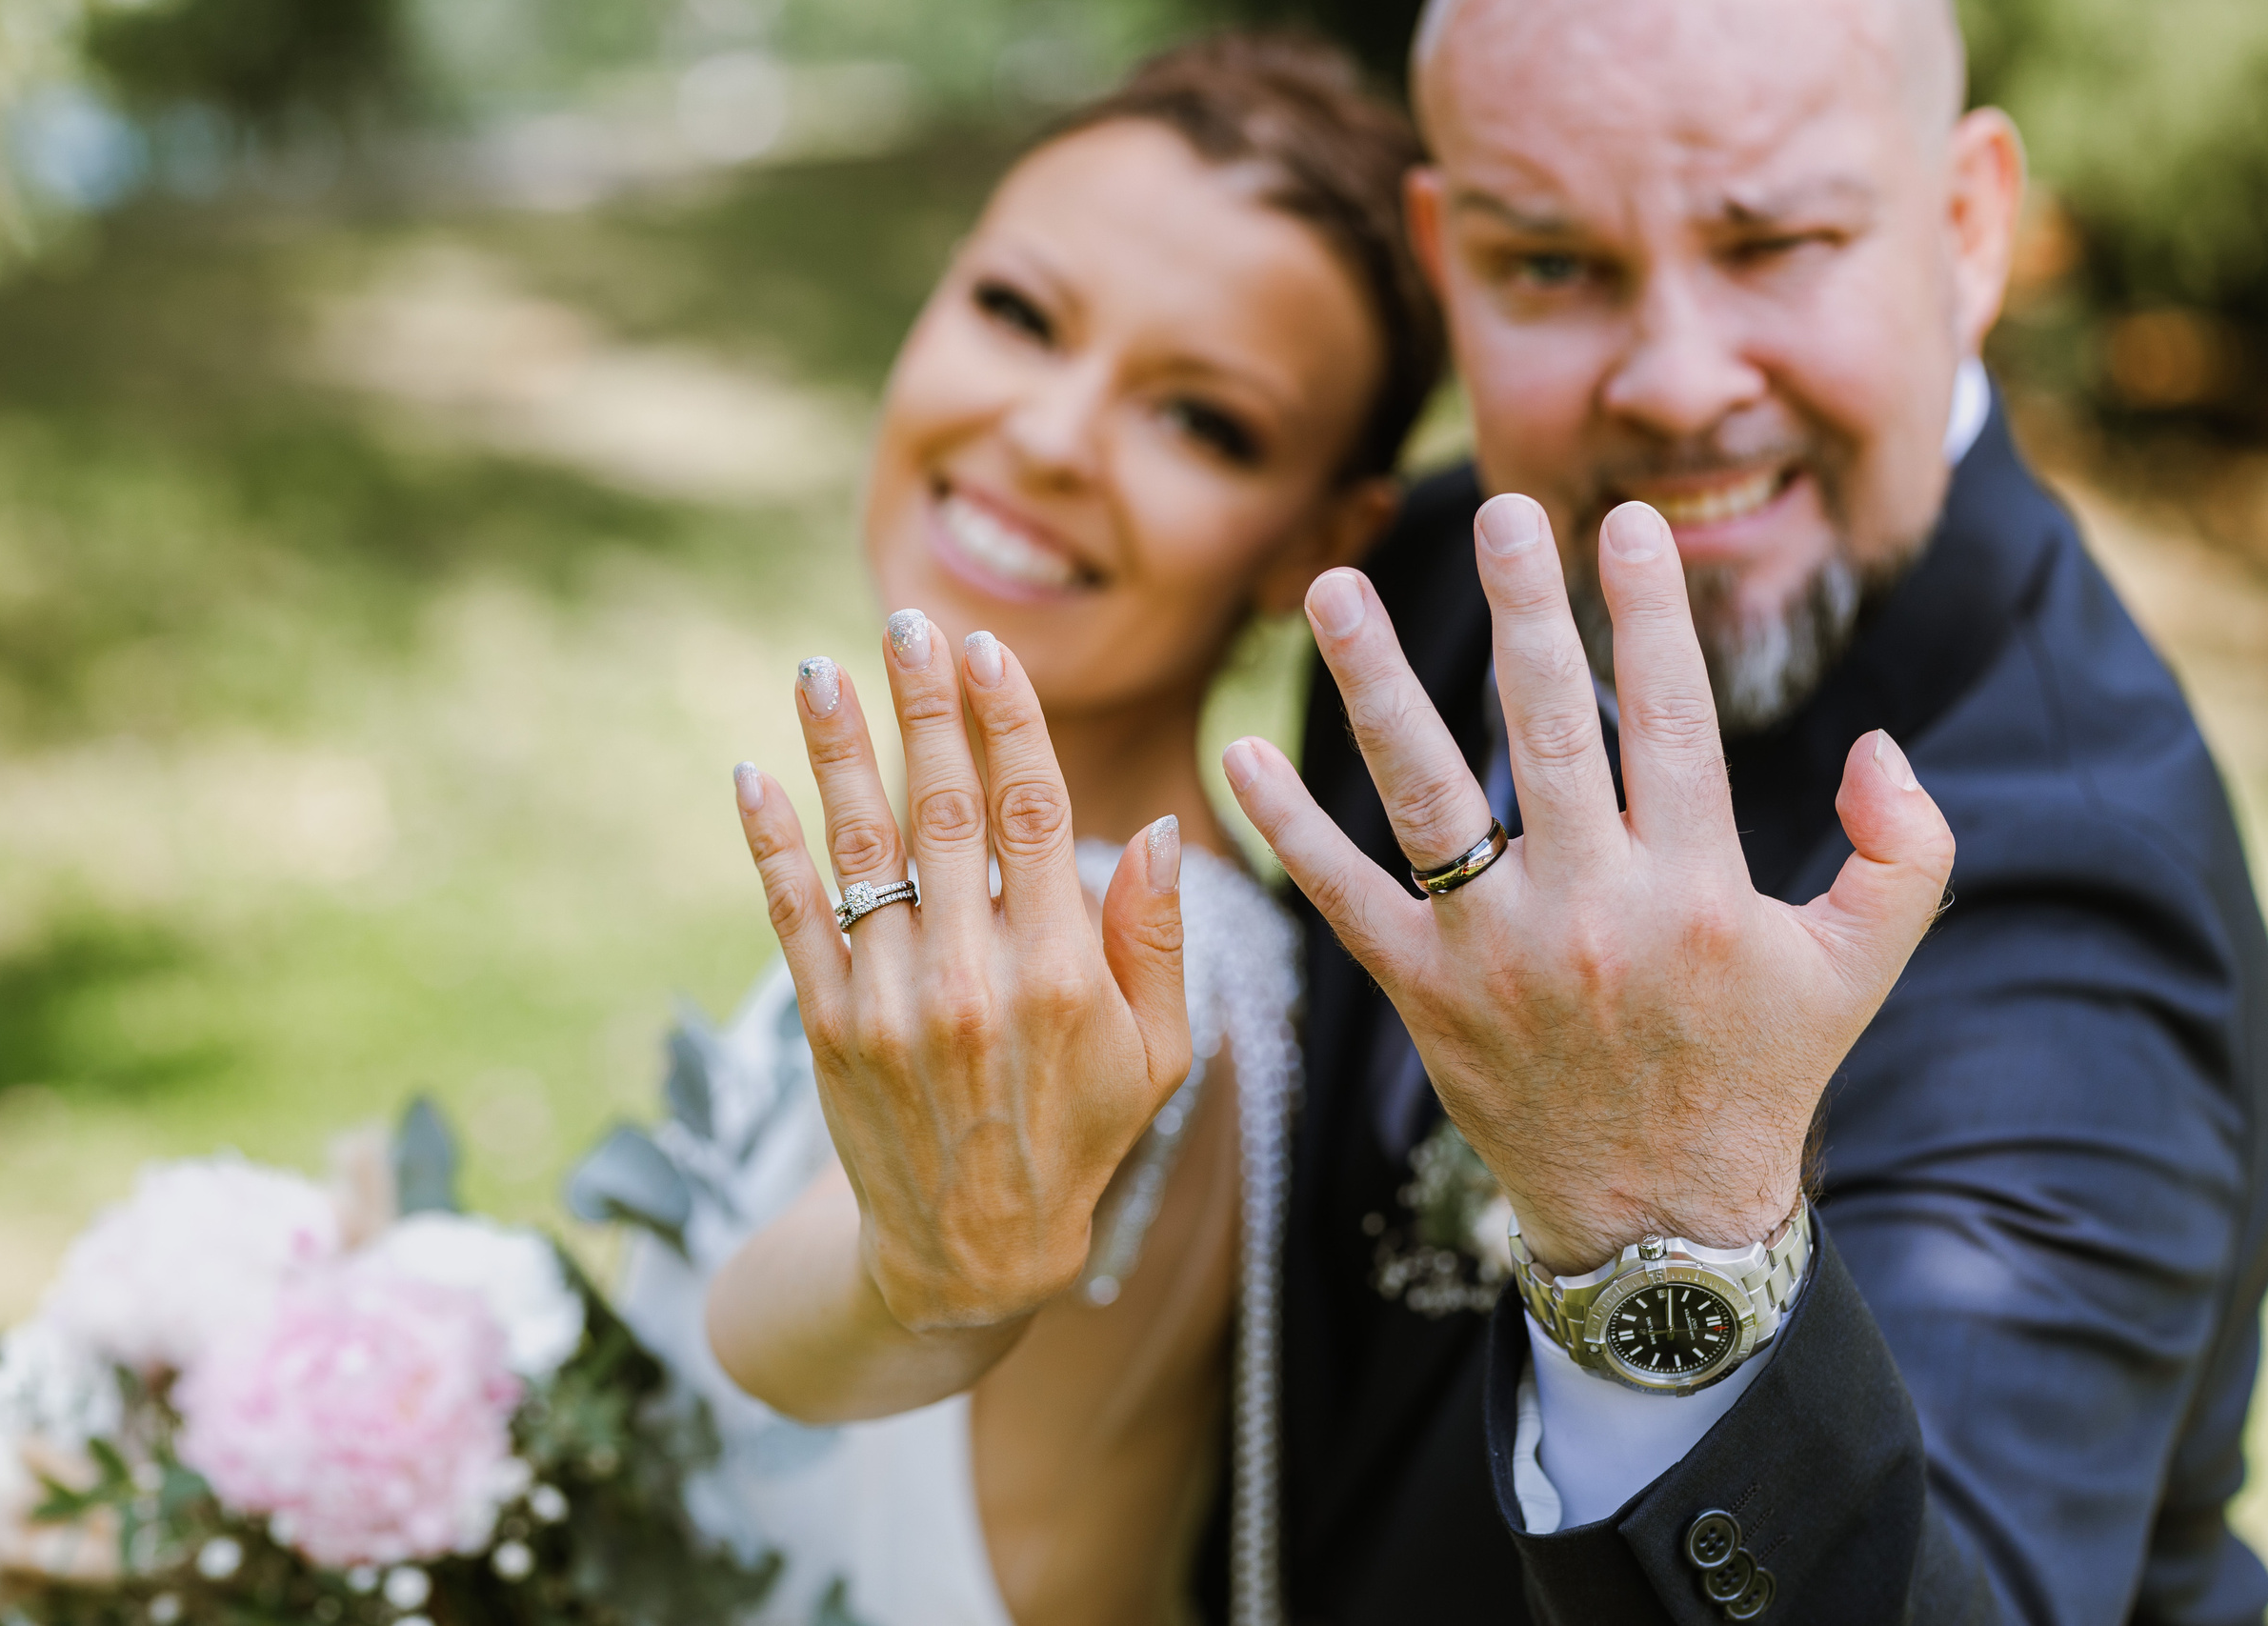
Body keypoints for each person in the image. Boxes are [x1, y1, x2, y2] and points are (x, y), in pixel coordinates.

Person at [1205, 0, 2268, 1620]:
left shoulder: (2072, 902)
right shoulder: (1433, 575)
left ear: (1969, 228)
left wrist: (1660, 1228)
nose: (1678, 383)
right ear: (1445, 253)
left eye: (1776, 243)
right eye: (1548, 263)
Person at [597, 35, 1446, 1626]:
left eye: (1202, 422)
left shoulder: (1119, 973)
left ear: (1317, 545)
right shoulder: (1110, 914)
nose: (1052, 435)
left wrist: (909, 1279)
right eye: (1017, 312)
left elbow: (830, 1331)